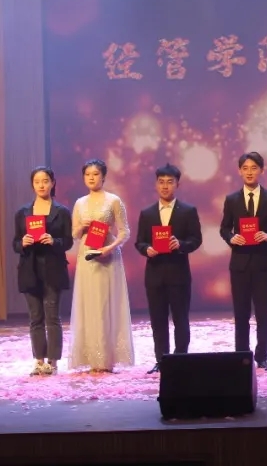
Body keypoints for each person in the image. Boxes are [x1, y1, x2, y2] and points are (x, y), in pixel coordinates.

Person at [220, 151, 267, 370]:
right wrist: (232, 237)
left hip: (263, 262)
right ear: (239, 171)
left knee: (262, 312)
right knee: (241, 313)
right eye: (245, 168)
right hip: (239, 263)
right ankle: (242, 355)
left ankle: (262, 356)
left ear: (261, 170)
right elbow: (224, 228)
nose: (249, 172)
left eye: (254, 168)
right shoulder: (232, 199)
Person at [134, 163, 203, 374]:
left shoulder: (188, 211)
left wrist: (180, 245)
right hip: (154, 275)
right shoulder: (147, 213)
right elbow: (139, 242)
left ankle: (181, 359)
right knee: (158, 321)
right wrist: (147, 249)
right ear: (156, 184)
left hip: (178, 274)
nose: (165, 186)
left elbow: (196, 240)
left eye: (170, 182)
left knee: (181, 319)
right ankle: (162, 360)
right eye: (161, 182)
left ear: (177, 184)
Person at [68, 159, 135, 373]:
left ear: (103, 176)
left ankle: (107, 359)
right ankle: (91, 357)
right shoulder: (80, 203)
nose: (91, 178)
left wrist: (110, 248)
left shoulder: (113, 201)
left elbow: (124, 232)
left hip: (107, 257)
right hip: (86, 257)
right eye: (87, 174)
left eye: (95, 174)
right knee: (89, 303)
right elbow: (74, 234)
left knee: (105, 303)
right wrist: (81, 226)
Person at [12, 167, 72, 376]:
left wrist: (53, 241)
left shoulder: (62, 211)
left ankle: (52, 362)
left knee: (52, 316)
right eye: (37, 181)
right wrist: (23, 242)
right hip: (30, 269)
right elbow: (15, 243)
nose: (41, 185)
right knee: (35, 317)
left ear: (52, 183)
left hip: (53, 268)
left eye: (45, 181)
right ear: (32, 184)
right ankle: (39, 360)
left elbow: (68, 241)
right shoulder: (23, 213)